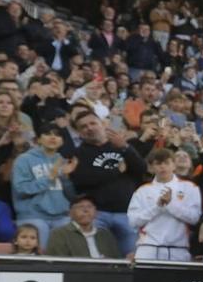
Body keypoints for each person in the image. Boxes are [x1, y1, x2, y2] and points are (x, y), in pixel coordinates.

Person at [69, 110, 141, 254]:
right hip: (97, 214)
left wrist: (125, 148)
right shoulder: (78, 153)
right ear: (79, 133)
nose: (89, 128)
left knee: (131, 260)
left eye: (92, 123)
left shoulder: (120, 146)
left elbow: (140, 169)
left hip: (126, 212)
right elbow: (82, 180)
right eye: (83, 127)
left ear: (103, 124)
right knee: (98, 259)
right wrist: (116, 171)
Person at [128, 145, 202, 261]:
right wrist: (158, 207)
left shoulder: (190, 188)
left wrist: (170, 205)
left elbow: (194, 218)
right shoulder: (142, 191)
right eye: (158, 163)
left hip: (179, 248)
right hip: (148, 247)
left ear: (173, 165)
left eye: (167, 163)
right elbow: (133, 221)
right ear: (151, 167)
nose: (163, 167)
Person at [11, 126, 74, 246]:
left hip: (61, 216)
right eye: (48, 134)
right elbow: (21, 189)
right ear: (38, 139)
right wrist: (50, 177)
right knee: (40, 255)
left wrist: (65, 179)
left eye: (57, 135)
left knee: (65, 255)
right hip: (33, 215)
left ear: (62, 141)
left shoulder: (64, 161)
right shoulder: (24, 159)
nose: (53, 137)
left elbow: (71, 196)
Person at [47, 194, 122, 259]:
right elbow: (58, 263)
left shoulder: (106, 234)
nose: (86, 210)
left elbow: (116, 261)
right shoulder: (59, 234)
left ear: (96, 212)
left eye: (89, 206)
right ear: (70, 213)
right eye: (80, 207)